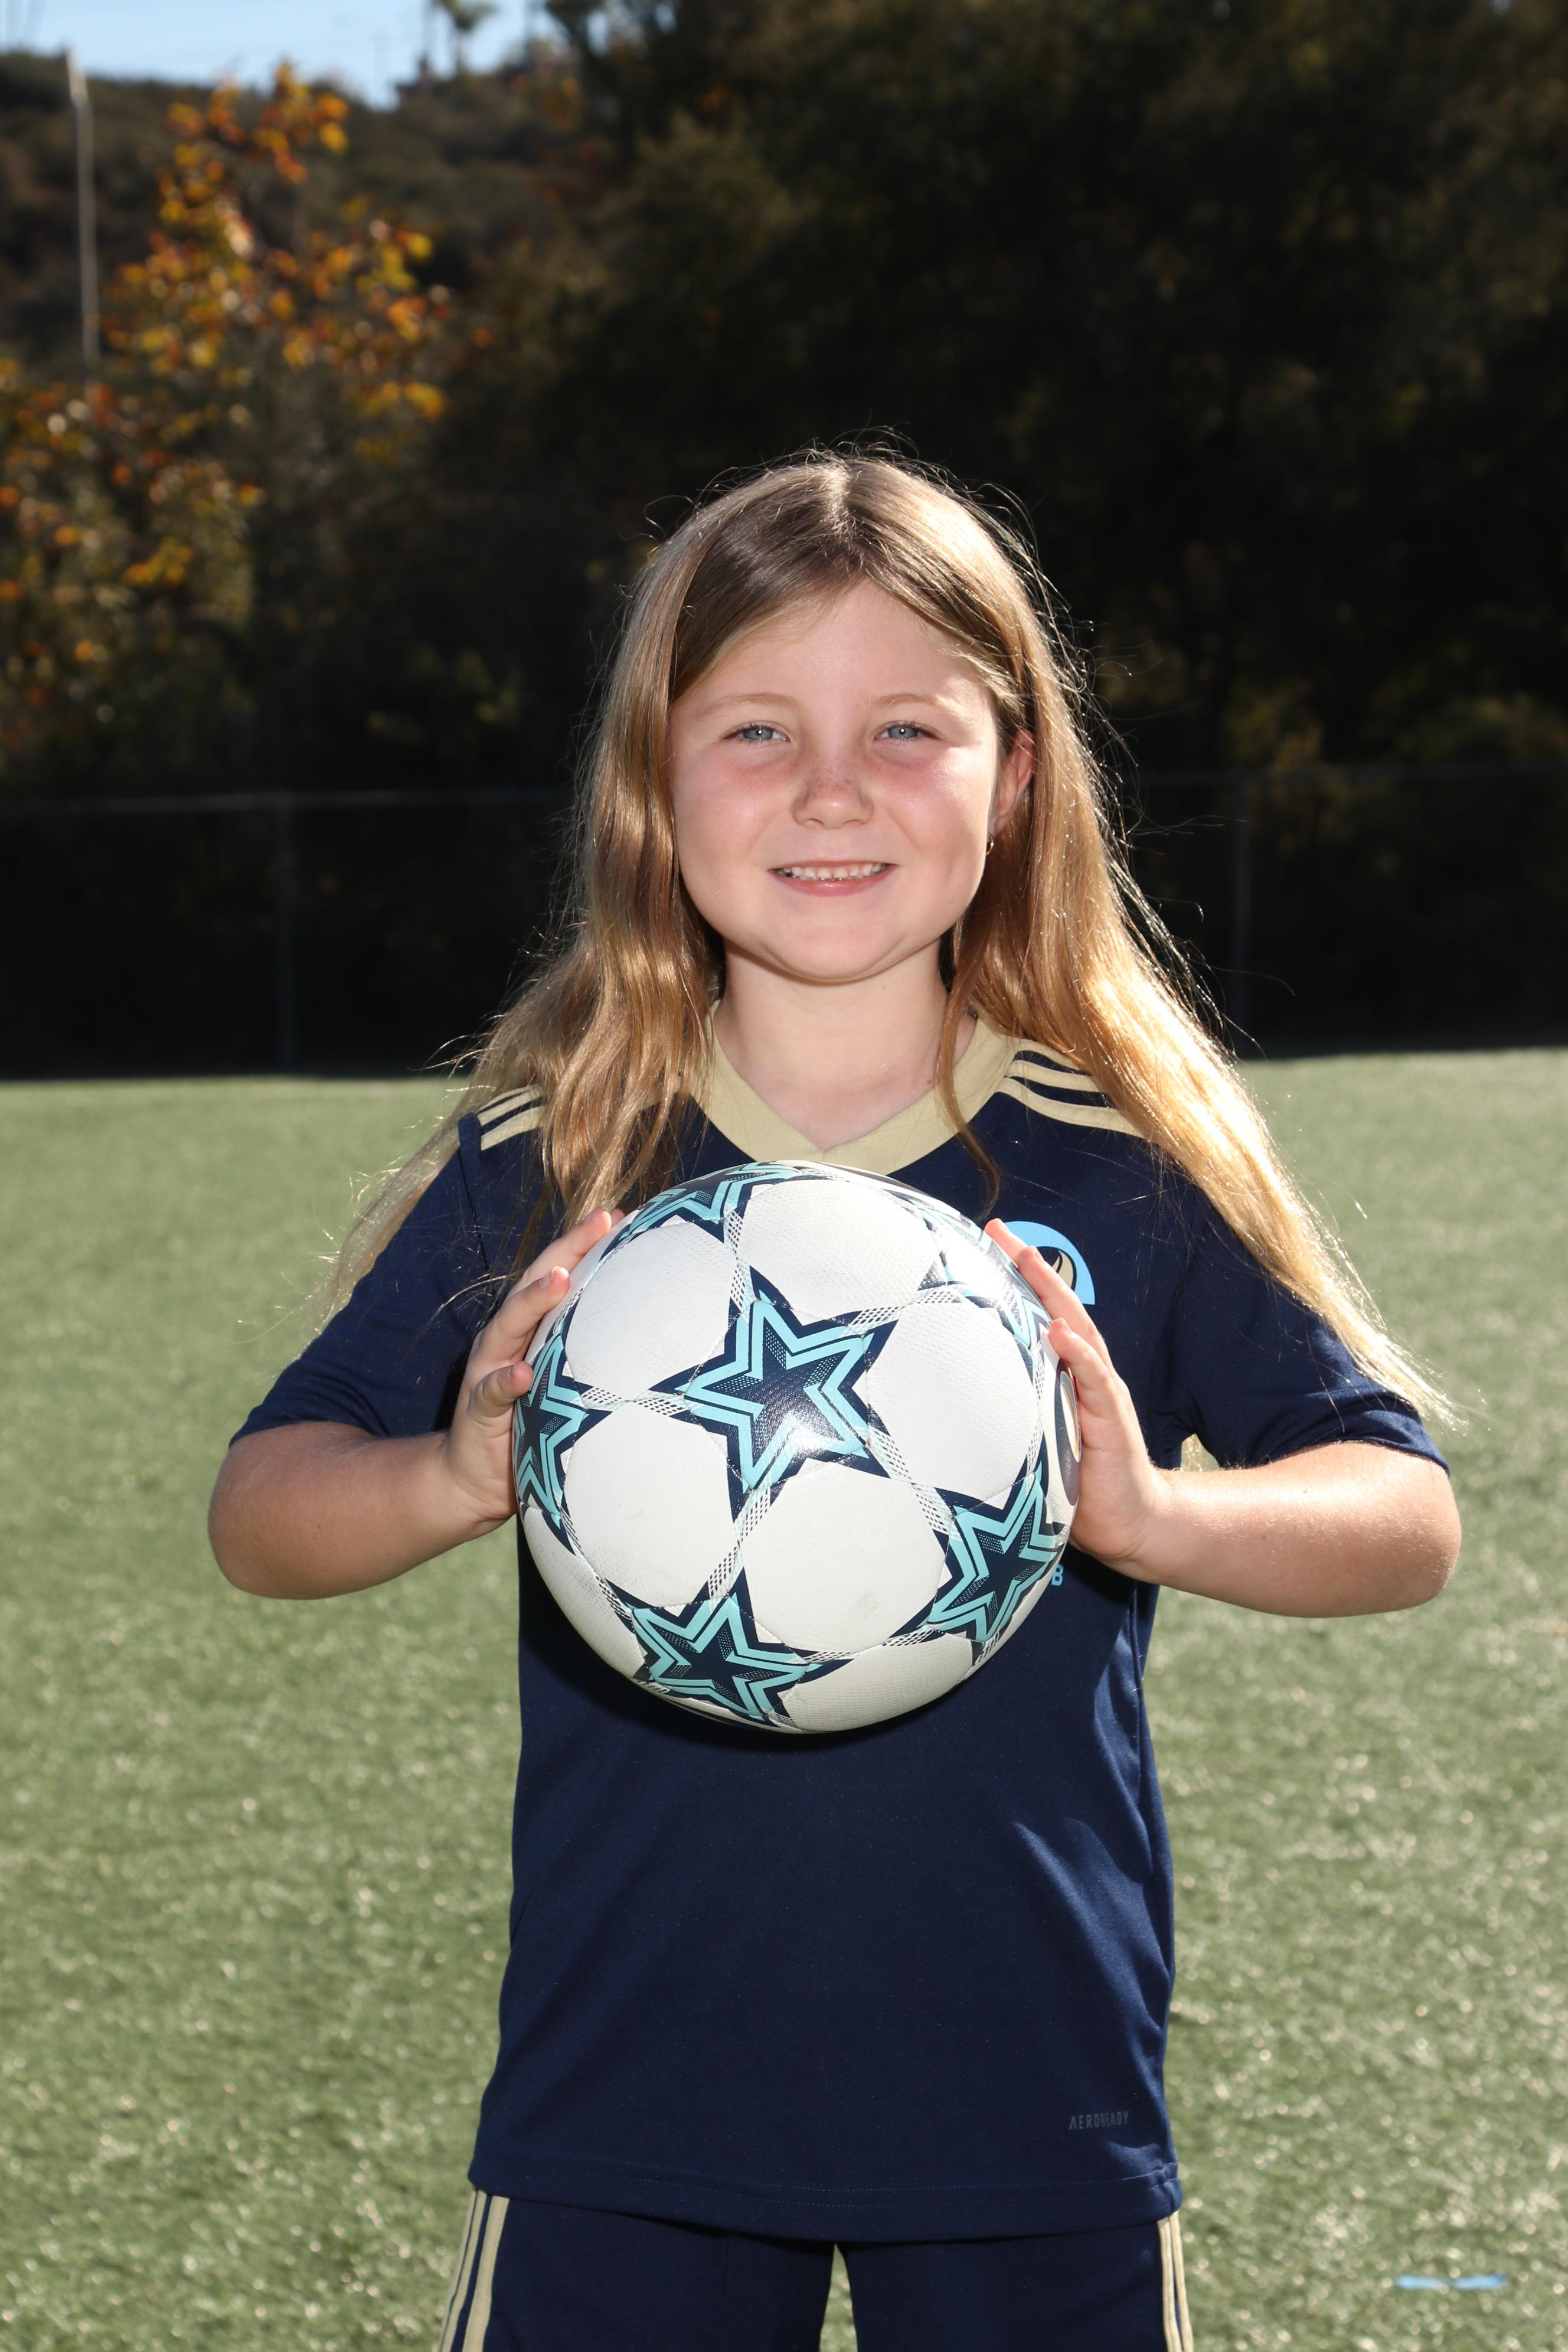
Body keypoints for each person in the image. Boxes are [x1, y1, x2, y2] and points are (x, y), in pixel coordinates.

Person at [209, 453, 1461, 2352]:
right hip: (624, 2113)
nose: (830, 790)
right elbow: (263, 1510)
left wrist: (1155, 1517)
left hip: (1034, 2106)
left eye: (905, 728)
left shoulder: (1125, 1157)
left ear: (1016, 774)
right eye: (757, 729)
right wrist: (455, 1472)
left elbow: (1401, 1513)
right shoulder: (559, 1160)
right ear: (655, 777)